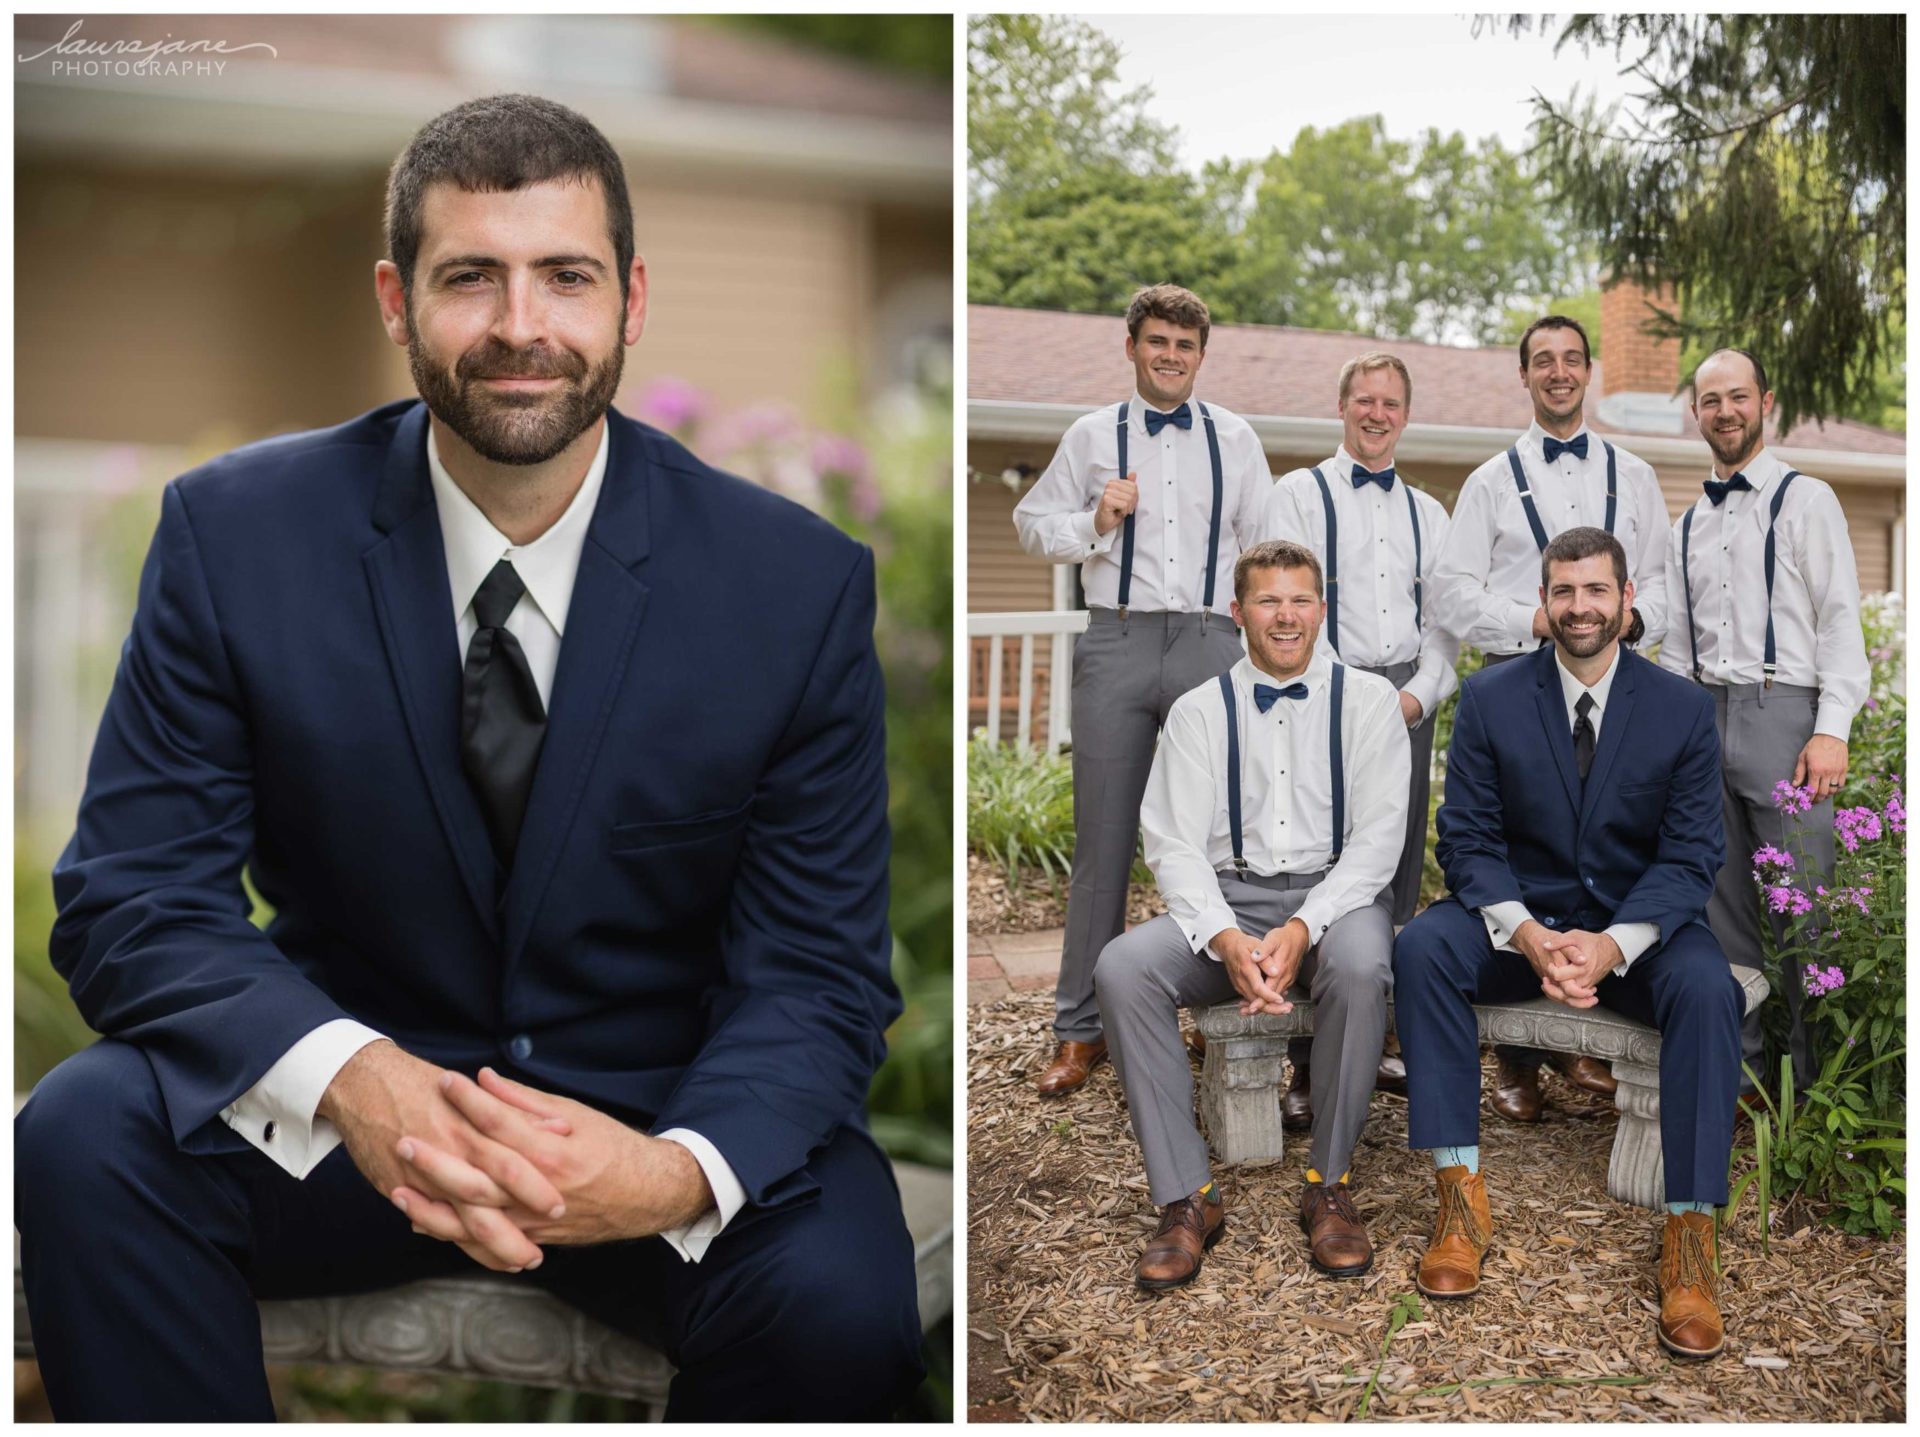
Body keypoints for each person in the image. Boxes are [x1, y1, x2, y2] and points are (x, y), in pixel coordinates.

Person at [15, 94, 923, 1421]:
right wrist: (361, 1083)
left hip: (652, 1112)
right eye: (469, 278)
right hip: (346, 1118)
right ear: (396, 298)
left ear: (632, 298)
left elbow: (817, 973)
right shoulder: (236, 537)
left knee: (839, 1291)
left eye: (565, 275)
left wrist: (671, 1172)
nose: (520, 327)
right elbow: (134, 897)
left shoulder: (794, 586)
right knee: (88, 1134)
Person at [1393, 526, 1742, 1360]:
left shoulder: (1683, 708)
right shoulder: (1490, 698)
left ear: (1626, 603)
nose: (1579, 606)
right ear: (1542, 607)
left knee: (1711, 988)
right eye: (1563, 592)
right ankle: (1457, 1196)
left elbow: (1693, 853)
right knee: (1421, 948)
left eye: (1595, 591)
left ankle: (1690, 1240)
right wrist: (1530, 932)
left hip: (1638, 936)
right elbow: (1467, 837)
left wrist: (1613, 944)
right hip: (1523, 929)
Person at [1094, 541, 1410, 1288]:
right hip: (1228, 898)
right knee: (1123, 966)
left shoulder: (1367, 704)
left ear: (1322, 610)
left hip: (1337, 898)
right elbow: (1170, 841)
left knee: (1365, 963)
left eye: (1300, 599)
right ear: (1238, 613)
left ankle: (1328, 1183)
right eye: (1268, 601)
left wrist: (1306, 927)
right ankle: (1187, 1197)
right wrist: (1226, 936)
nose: (1286, 615)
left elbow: (1378, 843)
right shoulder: (1200, 711)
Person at [1012, 284, 1270, 1097]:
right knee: (1104, 839)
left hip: (1209, 639)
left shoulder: (1236, 438)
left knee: (1220, 834)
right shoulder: (1092, 435)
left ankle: (1218, 1011)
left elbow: (1263, 550)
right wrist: (1093, 520)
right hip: (1116, 637)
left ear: (1201, 355)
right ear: (1131, 347)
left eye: (1185, 345)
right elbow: (1029, 524)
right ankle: (1080, 1028)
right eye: (1156, 341)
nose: (1170, 355)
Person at [1428, 313, 1672, 1119]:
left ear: (1589, 370)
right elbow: (1454, 591)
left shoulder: (1634, 474)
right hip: (1518, 682)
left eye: (1571, 359)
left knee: (1591, 850)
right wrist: (1540, 622)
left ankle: (1583, 1025)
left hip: (1609, 677)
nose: (1559, 372)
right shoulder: (1490, 480)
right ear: (1524, 375)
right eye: (1543, 361)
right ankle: (1519, 1063)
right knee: (1515, 852)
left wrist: (1616, 626)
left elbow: (1662, 588)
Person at [1660, 347, 1869, 1098]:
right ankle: (1744, 1083)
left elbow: (1842, 620)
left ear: (1765, 401)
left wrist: (1832, 726)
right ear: (1697, 413)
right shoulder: (1684, 526)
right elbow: (1681, 651)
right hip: (1704, 715)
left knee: (1807, 918)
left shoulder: (1808, 500)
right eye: (1710, 399)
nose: (1725, 411)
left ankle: (1820, 1093)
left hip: (1788, 716)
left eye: (1737, 396)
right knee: (1724, 916)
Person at [1258, 351, 1459, 1128]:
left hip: (1409, 701)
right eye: (1364, 400)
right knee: (1321, 870)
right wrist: (1353, 694)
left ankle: (1377, 1041)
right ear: (1341, 407)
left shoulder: (1429, 515)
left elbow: (1444, 625)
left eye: (1391, 403)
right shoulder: (1297, 494)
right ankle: (1308, 1062)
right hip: (1321, 696)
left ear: (1405, 416)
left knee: (1396, 873)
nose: (1377, 414)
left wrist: (1415, 695)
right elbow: (1290, 608)